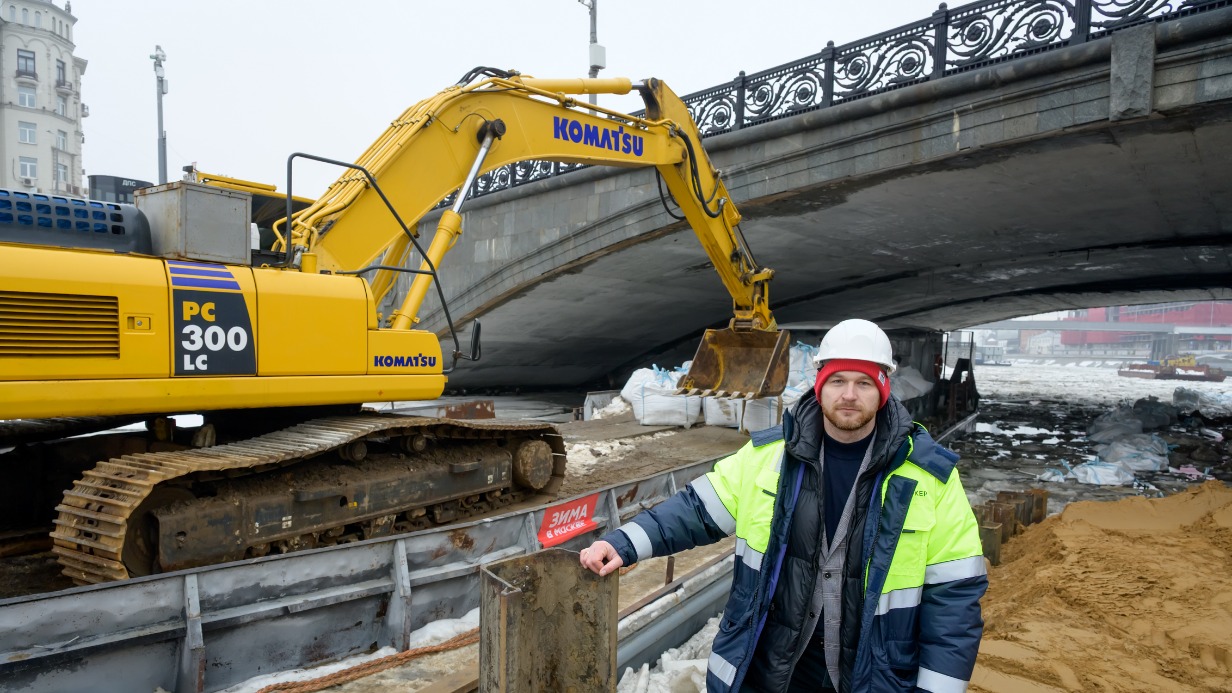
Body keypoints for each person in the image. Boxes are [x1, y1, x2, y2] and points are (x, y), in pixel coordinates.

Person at [580, 319, 987, 693]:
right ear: (819, 383)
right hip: (777, 673)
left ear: (884, 388)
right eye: (838, 380)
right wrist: (624, 542)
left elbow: (954, 601)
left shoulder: (929, 478)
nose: (848, 395)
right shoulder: (770, 455)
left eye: (864, 383)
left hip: (873, 678)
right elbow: (697, 510)